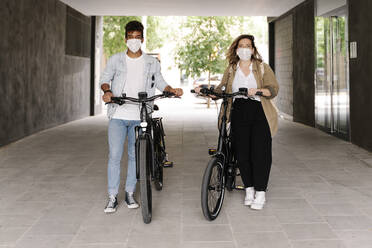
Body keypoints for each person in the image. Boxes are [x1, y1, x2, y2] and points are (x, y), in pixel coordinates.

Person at [100, 21, 183, 213]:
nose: (134, 40)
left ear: (143, 39)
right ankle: (112, 196)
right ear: (125, 39)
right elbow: (104, 79)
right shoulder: (115, 59)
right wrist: (108, 91)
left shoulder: (151, 62)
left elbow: (160, 82)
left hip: (140, 114)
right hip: (118, 114)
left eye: (138, 37)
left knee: (134, 155)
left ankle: (130, 193)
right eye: (131, 37)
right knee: (114, 155)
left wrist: (172, 90)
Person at [196, 34, 279, 210]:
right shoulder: (232, 69)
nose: (244, 49)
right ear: (236, 49)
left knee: (261, 154)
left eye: (248, 46)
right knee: (242, 153)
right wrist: (205, 91)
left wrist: (258, 90)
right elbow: (221, 89)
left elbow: (273, 89)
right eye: (241, 45)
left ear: (253, 49)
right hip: (238, 111)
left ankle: (261, 192)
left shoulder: (262, 67)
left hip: (259, 112)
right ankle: (249, 189)